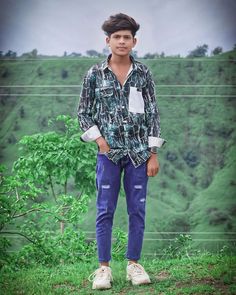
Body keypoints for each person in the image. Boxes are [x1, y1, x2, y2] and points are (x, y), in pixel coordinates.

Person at [77, 13, 165, 290]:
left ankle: (133, 265)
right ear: (108, 41)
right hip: (108, 155)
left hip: (139, 153)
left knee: (137, 210)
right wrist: (100, 142)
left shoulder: (143, 73)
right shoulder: (94, 74)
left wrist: (153, 153)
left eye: (127, 37)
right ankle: (103, 269)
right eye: (117, 37)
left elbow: (152, 113)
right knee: (105, 210)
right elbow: (83, 113)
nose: (122, 41)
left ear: (134, 41)